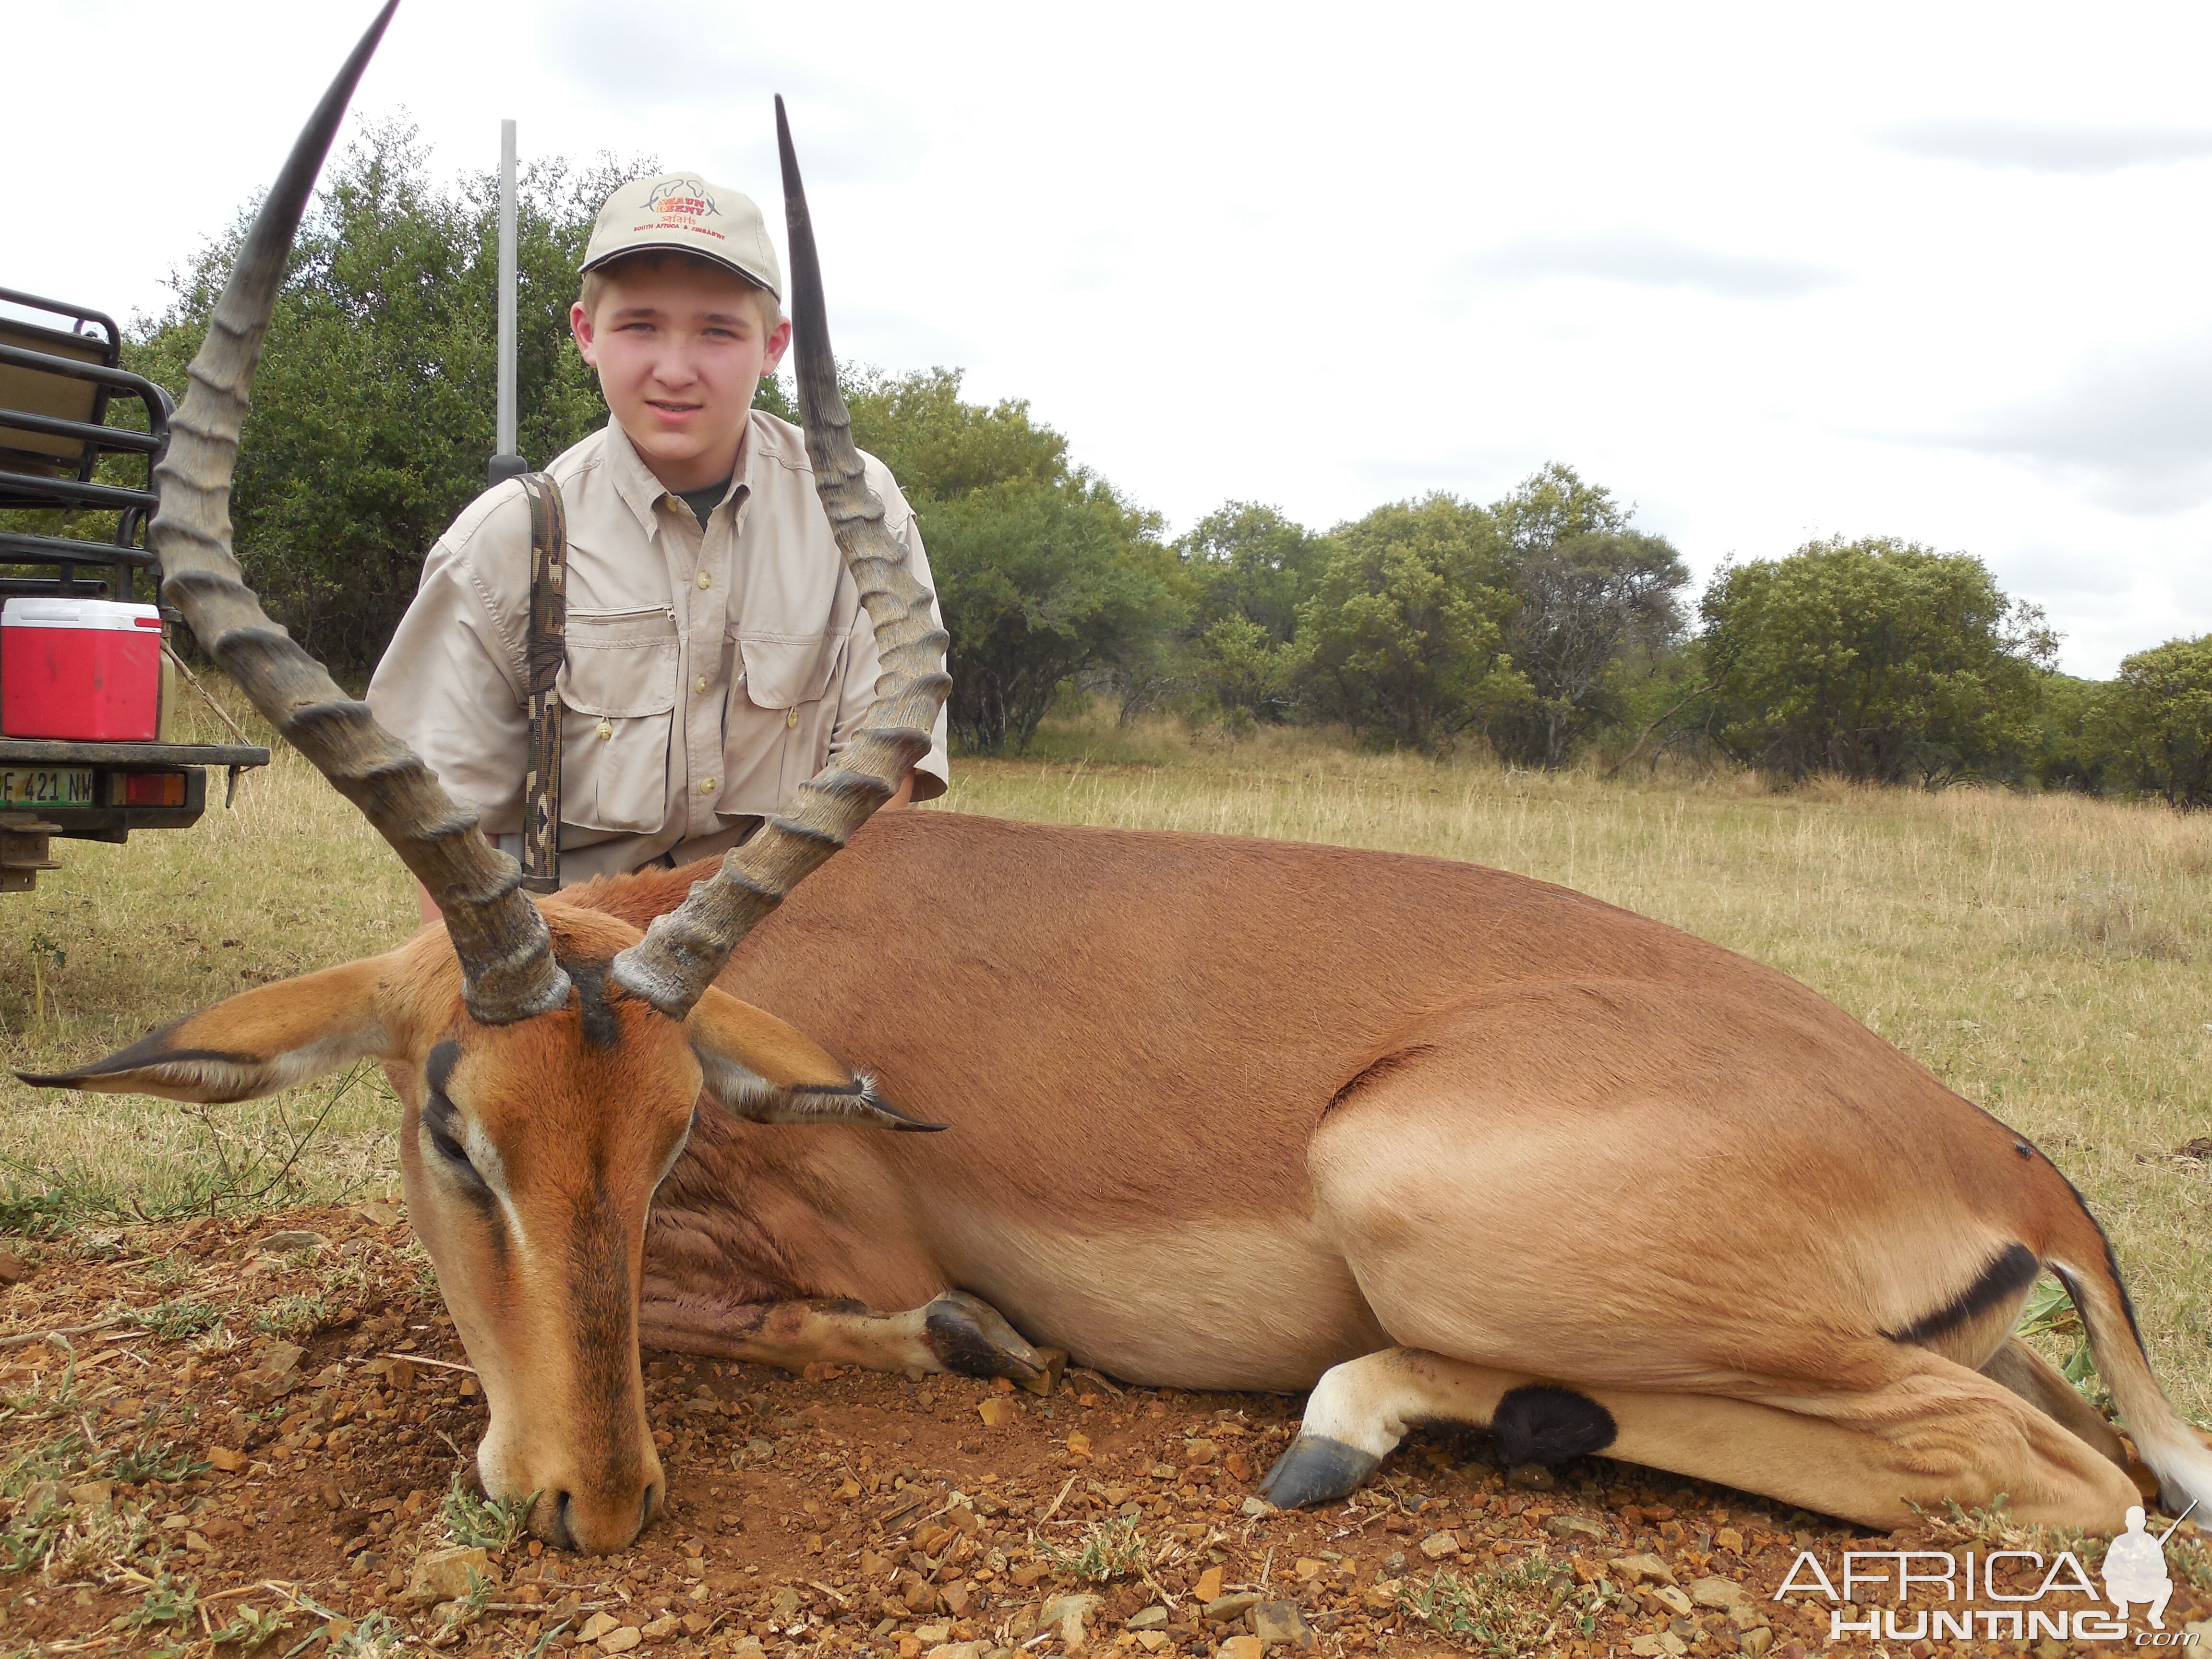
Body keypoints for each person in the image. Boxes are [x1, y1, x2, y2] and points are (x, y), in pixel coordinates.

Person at [367, 171, 949, 919]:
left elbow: (884, 786)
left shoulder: (859, 511)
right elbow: (441, 834)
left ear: (773, 346)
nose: (675, 371)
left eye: (717, 331)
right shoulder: (505, 539)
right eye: (640, 326)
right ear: (586, 334)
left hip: (785, 944)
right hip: (572, 964)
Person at [2102, 1505, 2172, 1629]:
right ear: (2127, 1522)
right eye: (2133, 1521)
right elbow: (2107, 1571)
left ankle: (2155, 1616)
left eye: (2138, 1521)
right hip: (2124, 1589)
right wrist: (2124, 1571)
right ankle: (2123, 1611)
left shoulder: (2152, 1543)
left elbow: (2163, 1572)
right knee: (2115, 1584)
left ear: (2144, 1522)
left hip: (2144, 1588)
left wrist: (2147, 1571)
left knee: (2167, 1584)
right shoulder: (2119, 1542)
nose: (2135, 1525)